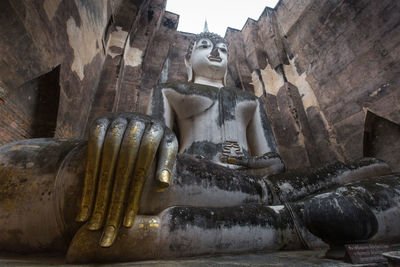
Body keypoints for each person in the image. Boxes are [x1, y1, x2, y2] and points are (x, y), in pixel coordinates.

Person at [0, 32, 399, 263]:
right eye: (206, 45)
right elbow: (160, 135)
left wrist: (248, 161)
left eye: (223, 48)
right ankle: (292, 219)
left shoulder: (248, 100)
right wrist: (139, 132)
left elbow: (274, 161)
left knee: (369, 165)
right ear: (189, 56)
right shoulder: (171, 89)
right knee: (137, 171)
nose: (217, 51)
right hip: (188, 173)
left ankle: (288, 214)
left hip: (257, 182)